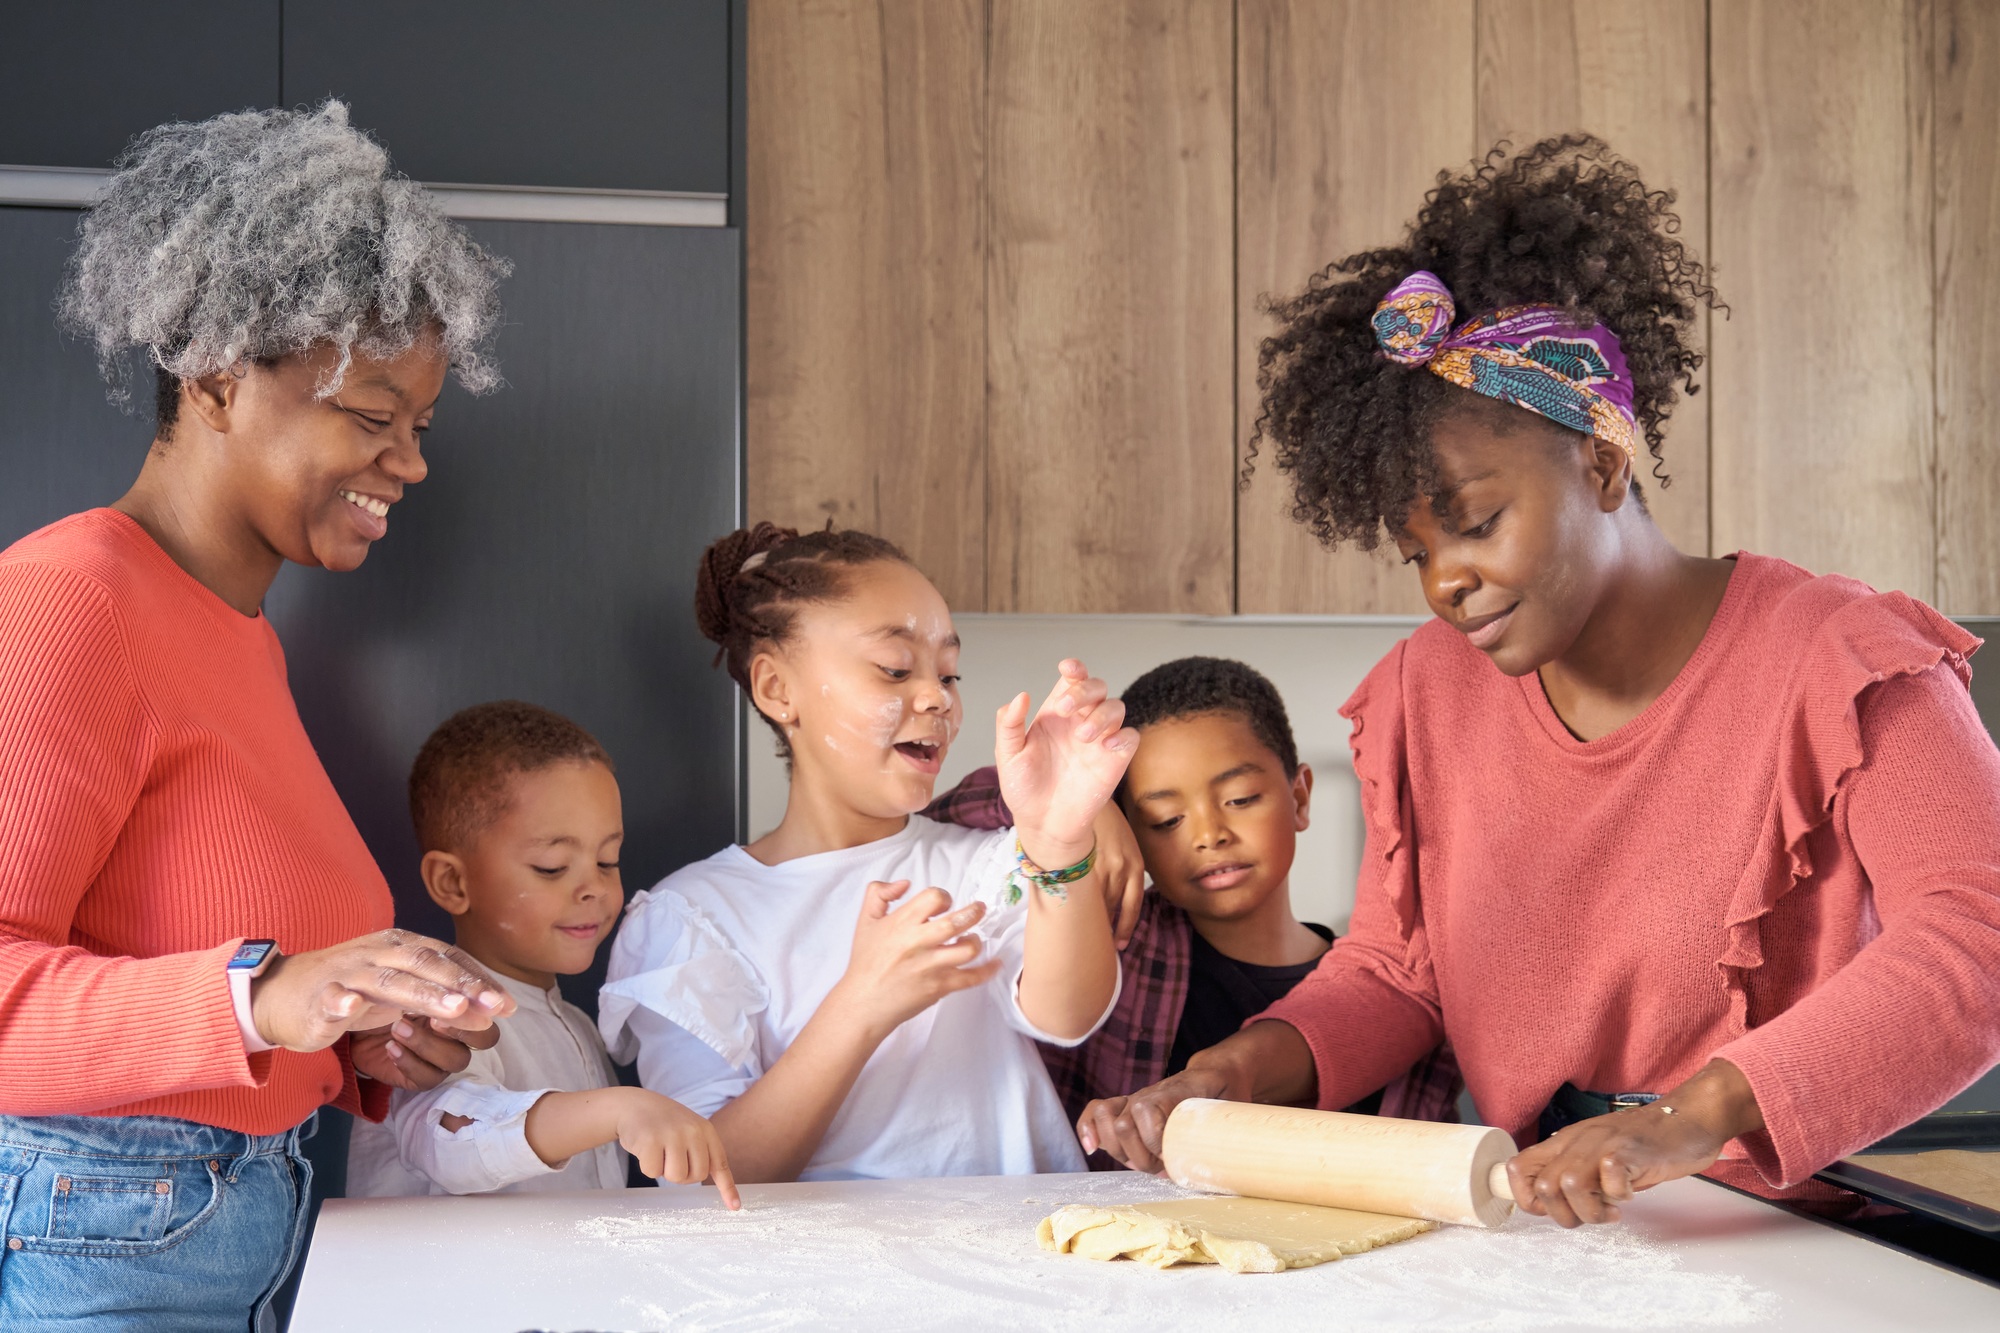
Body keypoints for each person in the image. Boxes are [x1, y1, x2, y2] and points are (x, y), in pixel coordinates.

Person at [1081, 136, 2000, 1230]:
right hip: (1542, 1221)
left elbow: (1976, 937)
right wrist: (1240, 1069)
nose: (1444, 583)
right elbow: (1395, 972)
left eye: (1474, 525)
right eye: (1414, 551)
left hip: (1796, 1219)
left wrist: (1687, 1115)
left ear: (1602, 462)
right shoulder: (1422, 693)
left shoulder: (1840, 659)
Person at [0, 102, 520, 1331]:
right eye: (371, 415)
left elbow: (186, 962)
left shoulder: (234, 636)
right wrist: (267, 991)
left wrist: (353, 1045)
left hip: (224, 1228)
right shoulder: (65, 604)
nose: (410, 459)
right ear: (220, 378)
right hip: (108, 1255)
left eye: (421, 425)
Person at [598, 523, 1135, 1182]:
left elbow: (1069, 1013)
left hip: (1021, 1257)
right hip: (828, 1281)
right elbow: (710, 1173)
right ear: (776, 689)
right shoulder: (694, 916)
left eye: (948, 671)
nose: (938, 695)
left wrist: (1057, 841)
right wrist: (862, 1003)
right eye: (895, 667)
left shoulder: (985, 865)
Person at [929, 657, 1462, 1165]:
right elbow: (943, 813)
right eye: (1165, 819)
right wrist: (1085, 817)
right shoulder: (1117, 943)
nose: (1210, 836)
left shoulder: (1391, 993)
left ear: (1299, 797)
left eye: (1241, 799)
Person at [346, 701, 738, 1206]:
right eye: (553, 867)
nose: (593, 887)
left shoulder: (576, 1024)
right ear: (453, 882)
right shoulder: (427, 1018)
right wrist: (617, 1110)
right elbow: (454, 1144)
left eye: (607, 860)